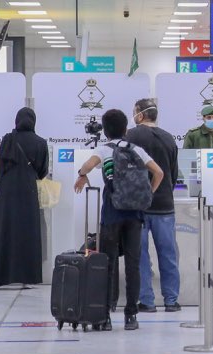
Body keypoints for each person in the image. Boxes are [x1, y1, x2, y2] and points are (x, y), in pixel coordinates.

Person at [74, 109, 165, 331]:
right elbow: (159, 173)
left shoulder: (104, 150)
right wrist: (147, 195)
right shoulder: (137, 150)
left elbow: (87, 166)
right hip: (135, 215)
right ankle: (131, 316)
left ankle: (105, 315)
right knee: (133, 265)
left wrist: (82, 175)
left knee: (108, 264)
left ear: (105, 131)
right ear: (126, 129)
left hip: (112, 214)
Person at [125, 99, 182, 313]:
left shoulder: (131, 136)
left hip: (138, 206)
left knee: (140, 255)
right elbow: (172, 174)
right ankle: (171, 300)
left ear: (140, 114)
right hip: (165, 204)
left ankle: (147, 301)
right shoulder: (169, 138)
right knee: (168, 254)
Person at [0, 109, 48, 289]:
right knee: (28, 233)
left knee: (3, 231)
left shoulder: (8, 139)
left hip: (6, 193)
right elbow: (42, 171)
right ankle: (27, 277)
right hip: (28, 192)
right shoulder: (41, 143)